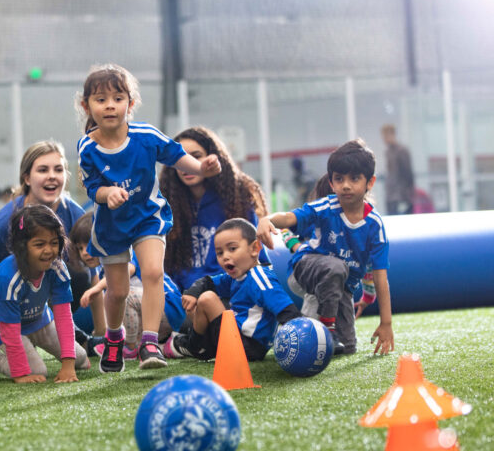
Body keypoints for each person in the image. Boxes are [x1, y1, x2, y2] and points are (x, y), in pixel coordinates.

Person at [76, 64, 221, 372]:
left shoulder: (145, 136)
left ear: (131, 103)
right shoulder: (88, 147)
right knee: (117, 291)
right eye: (101, 99)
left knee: (153, 272)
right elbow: (91, 187)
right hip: (111, 225)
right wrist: (107, 194)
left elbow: (175, 154)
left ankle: (149, 342)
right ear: (86, 105)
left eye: (118, 97)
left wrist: (200, 168)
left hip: (147, 216)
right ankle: (114, 339)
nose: (110, 105)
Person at [0, 140, 104, 363]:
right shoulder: (3, 224)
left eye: (58, 169)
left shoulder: (74, 214)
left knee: (80, 274)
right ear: (27, 178)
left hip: (45, 306)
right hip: (10, 303)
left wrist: (102, 330)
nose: (52, 176)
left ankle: (61, 331)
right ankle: (12, 339)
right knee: (29, 368)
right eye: (43, 170)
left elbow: (93, 274)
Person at [257, 139, 395, 356]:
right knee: (335, 268)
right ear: (331, 183)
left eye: (354, 179)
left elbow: (379, 276)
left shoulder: (374, 226)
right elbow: (290, 217)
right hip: (305, 269)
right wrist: (267, 220)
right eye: (339, 179)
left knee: (347, 347)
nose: (346, 185)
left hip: (342, 285)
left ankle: (315, 329)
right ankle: (320, 330)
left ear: (370, 182)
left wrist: (385, 323)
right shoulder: (326, 206)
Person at [0, 205, 90, 383]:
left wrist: (68, 364)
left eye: (54, 242)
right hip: (2, 323)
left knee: (80, 359)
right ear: (22, 246)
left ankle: (32, 347)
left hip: (37, 318)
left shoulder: (57, 267)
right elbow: (10, 329)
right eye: (39, 244)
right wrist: (20, 374)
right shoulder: (9, 276)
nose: (49, 250)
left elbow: (64, 316)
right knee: (37, 371)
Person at [166, 218, 302, 362]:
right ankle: (199, 345)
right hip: (237, 338)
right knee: (193, 305)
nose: (225, 257)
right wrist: (192, 293)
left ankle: (194, 346)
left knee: (207, 299)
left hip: (248, 346)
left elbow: (287, 310)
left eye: (232, 249)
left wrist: (300, 338)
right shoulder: (237, 276)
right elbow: (208, 282)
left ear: (255, 249)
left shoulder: (259, 277)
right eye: (219, 252)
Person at [160, 126, 269, 292]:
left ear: (213, 160)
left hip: (231, 297)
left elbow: (259, 262)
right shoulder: (166, 206)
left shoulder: (238, 199)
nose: (188, 165)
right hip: (182, 300)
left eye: (196, 157)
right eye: (181, 159)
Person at [281, 173, 377, 320]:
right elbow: (285, 227)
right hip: (301, 276)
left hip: (337, 278)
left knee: (343, 292)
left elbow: (368, 264)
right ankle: (310, 331)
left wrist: (368, 297)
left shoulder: (362, 229)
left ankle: (341, 337)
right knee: (320, 290)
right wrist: (296, 246)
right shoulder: (321, 218)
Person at [80, 248, 186, 361]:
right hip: (153, 314)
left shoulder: (122, 251)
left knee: (124, 294)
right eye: (79, 248)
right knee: (114, 301)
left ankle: (129, 348)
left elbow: (126, 271)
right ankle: (165, 346)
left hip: (169, 305)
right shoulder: (101, 269)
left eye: (88, 245)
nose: (84, 253)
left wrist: (97, 288)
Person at [381, 124, 414, 215]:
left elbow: (408, 173)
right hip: (391, 194)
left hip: (401, 195)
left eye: (385, 136)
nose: (384, 139)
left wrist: (409, 193)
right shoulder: (388, 152)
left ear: (392, 135)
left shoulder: (402, 151)